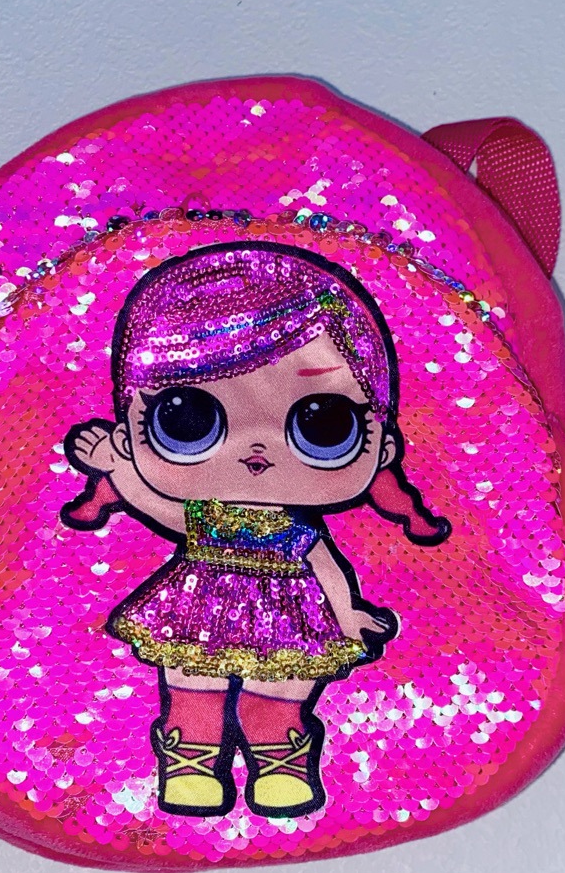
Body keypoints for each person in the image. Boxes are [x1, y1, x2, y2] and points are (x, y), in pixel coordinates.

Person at [62, 242, 449, 818]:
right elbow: (162, 510)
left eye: (325, 425)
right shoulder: (206, 516)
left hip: (288, 614)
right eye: (185, 419)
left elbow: (322, 561)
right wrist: (118, 471)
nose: (256, 449)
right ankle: (191, 768)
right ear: (130, 425)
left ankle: (280, 767)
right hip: (199, 606)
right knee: (193, 689)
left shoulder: (292, 527)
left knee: (279, 696)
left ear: (383, 445)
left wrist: (347, 615)